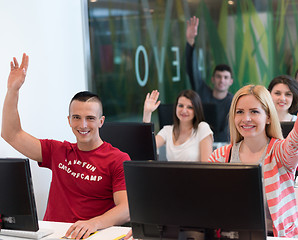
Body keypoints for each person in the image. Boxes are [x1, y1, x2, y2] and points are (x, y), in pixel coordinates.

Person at [1, 53, 130, 240]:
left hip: (89, 235)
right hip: (52, 234)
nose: (83, 125)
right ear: (69, 120)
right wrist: (13, 91)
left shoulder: (117, 159)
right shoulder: (58, 151)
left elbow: (126, 209)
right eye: (76, 118)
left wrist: (93, 223)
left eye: (90, 118)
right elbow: (11, 134)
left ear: (101, 121)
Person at [208, 55, 298, 238]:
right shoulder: (220, 156)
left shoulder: (280, 152)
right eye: (240, 112)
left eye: (254, 112)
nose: (246, 118)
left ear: (268, 116)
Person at [186, 16, 233, 143]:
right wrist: (190, 40)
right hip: (198, 143)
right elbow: (192, 70)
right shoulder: (202, 92)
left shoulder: (234, 101)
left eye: (225, 77)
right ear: (212, 79)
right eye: (218, 76)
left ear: (230, 81)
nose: (221, 80)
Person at [143, 89, 213, 162]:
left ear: (196, 110)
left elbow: (206, 168)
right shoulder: (167, 130)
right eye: (180, 106)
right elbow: (147, 147)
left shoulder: (202, 128)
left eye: (190, 107)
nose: (184, 110)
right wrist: (147, 113)